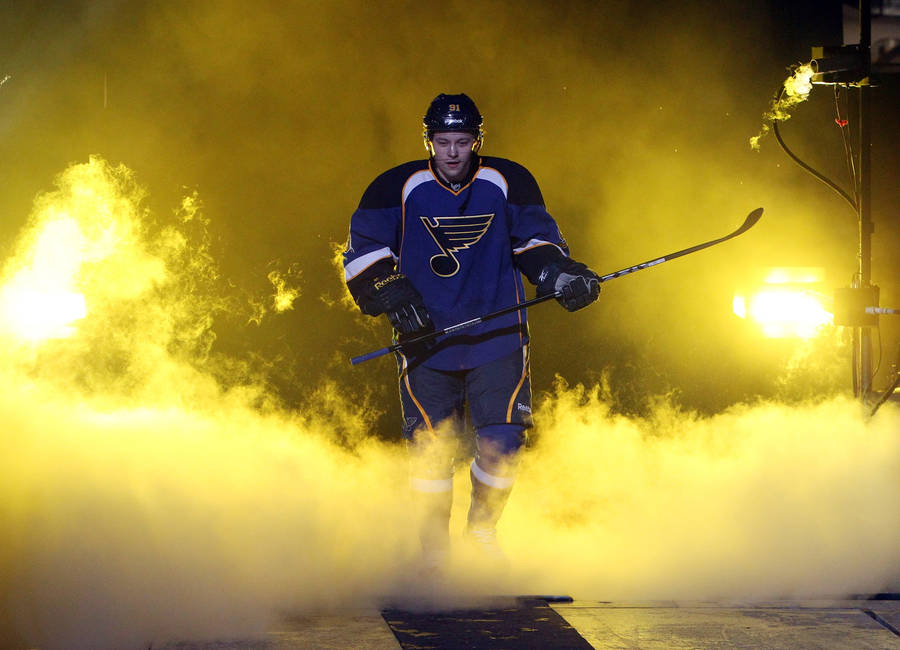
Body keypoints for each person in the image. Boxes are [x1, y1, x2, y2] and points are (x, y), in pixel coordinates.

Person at [342, 93, 600, 568]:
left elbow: (536, 242)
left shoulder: (508, 179)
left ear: (478, 139)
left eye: (463, 141)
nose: (454, 153)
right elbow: (362, 252)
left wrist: (560, 275)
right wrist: (391, 292)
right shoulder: (393, 186)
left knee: (503, 440)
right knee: (431, 450)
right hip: (426, 343)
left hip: (498, 335)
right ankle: (435, 553)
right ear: (429, 141)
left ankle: (481, 533)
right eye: (444, 142)